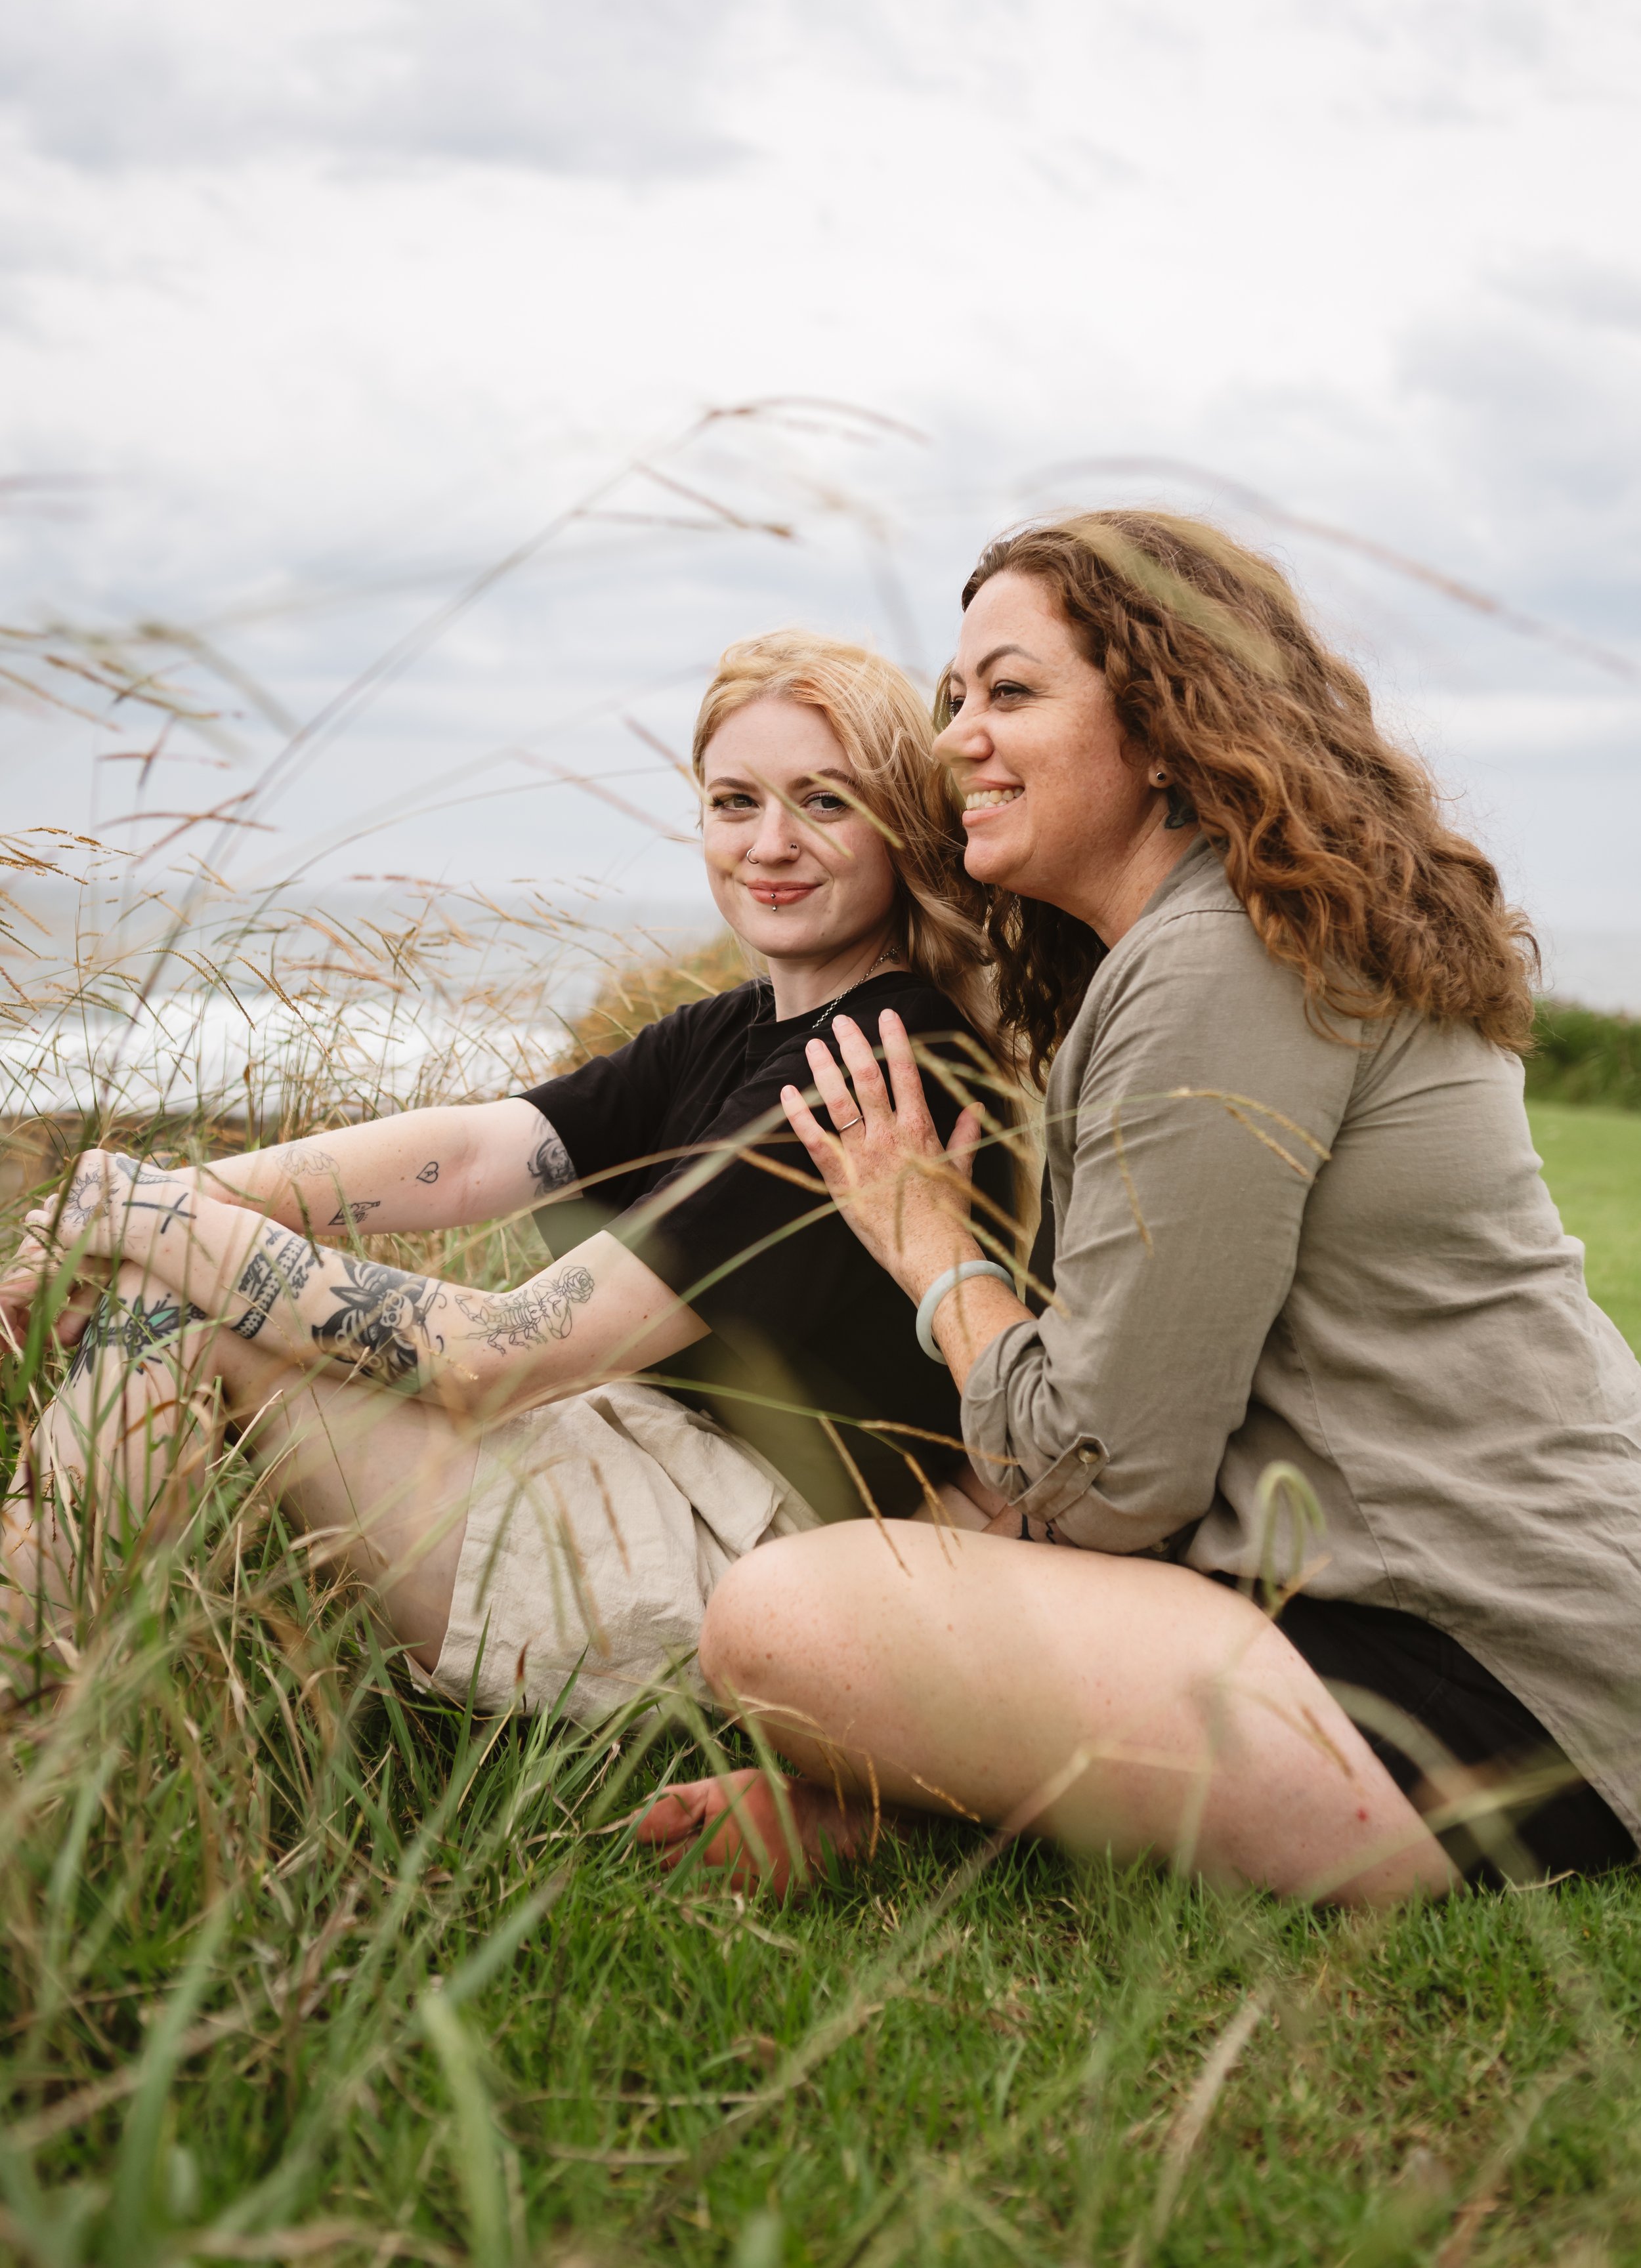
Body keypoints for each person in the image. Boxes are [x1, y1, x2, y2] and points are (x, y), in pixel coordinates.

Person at [641, 513, 1641, 1904]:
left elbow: (1105, 1478)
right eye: (953, 698)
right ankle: (922, 1804)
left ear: (1167, 726)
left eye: (1008, 692)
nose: (954, 740)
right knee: (893, 1573)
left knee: (780, 1615)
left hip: (1494, 1676)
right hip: (1426, 1605)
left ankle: (926, 1804)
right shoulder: (1223, 939)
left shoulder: (1218, 968)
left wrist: (929, 1245)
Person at [1, 631, 1017, 1720]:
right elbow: (474, 1155)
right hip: (629, 1461)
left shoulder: (866, 1062)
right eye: (735, 802)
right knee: (167, 1272)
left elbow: (492, 1356)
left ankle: (21, 1690)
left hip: (726, 1558)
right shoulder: (742, 1026)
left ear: (900, 824)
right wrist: (153, 1194)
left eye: (824, 800)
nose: (770, 843)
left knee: (176, 1301)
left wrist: (154, 1216)